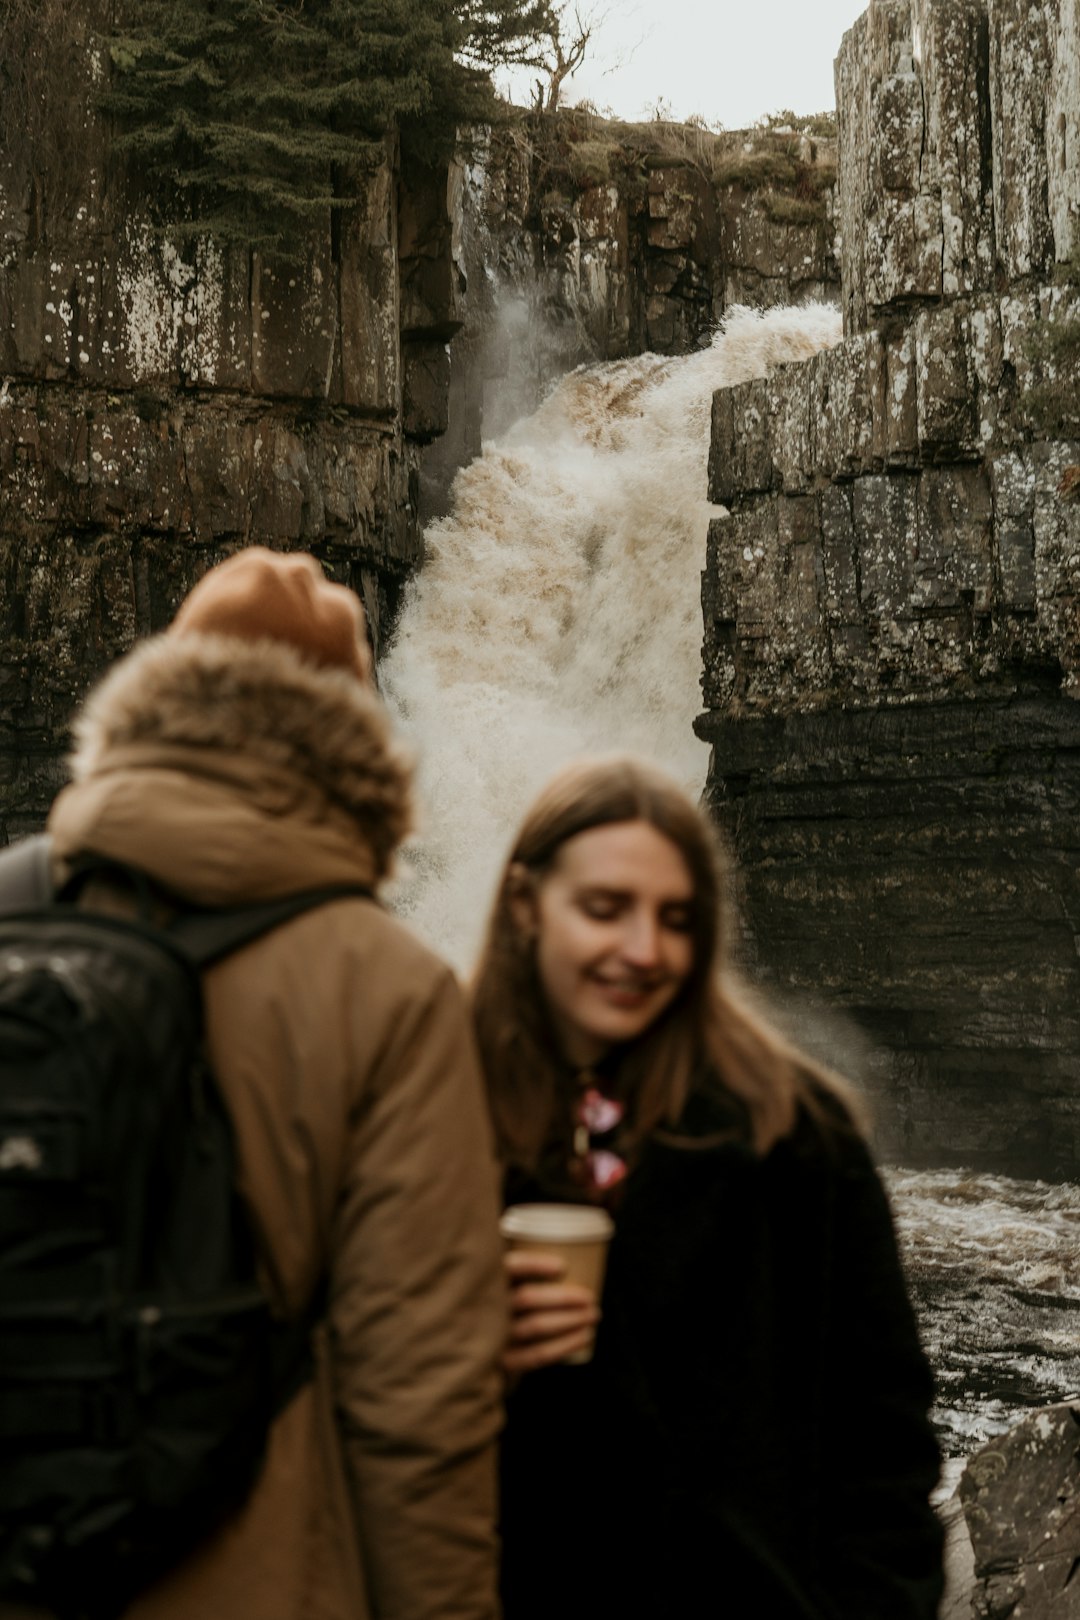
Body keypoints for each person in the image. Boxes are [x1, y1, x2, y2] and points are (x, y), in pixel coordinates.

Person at [4, 548, 506, 1620]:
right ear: (354, 734)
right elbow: (418, 1402)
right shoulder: (393, 989)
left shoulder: (8, 905)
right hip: (251, 1569)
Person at [471, 755, 945, 1620]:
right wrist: (471, 1359)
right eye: (605, 909)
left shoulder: (797, 1136)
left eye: (677, 918)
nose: (644, 951)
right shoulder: (431, 1122)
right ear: (524, 907)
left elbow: (884, 1448)